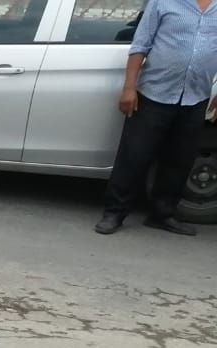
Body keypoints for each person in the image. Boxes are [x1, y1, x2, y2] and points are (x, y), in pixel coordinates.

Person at [93, 0, 216, 237]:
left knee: (179, 160)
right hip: (153, 93)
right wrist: (129, 88)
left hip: (195, 96)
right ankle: (114, 212)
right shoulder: (164, 2)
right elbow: (141, 44)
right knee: (134, 156)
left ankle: (163, 214)